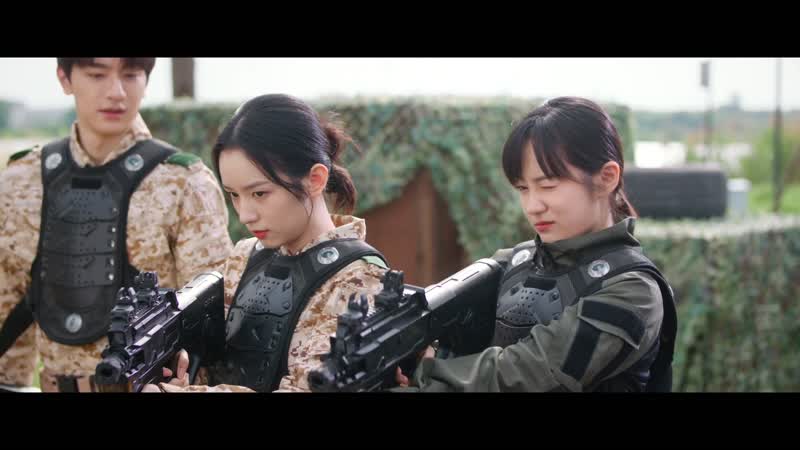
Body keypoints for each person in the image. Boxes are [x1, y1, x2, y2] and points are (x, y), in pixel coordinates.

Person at [396, 96, 677, 392]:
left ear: (606, 178)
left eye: (547, 186)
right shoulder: (515, 262)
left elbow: (526, 373)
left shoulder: (633, 291)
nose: (532, 206)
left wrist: (425, 374)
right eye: (523, 188)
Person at [0, 58, 233, 392]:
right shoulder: (21, 180)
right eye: (97, 75)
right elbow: (7, 313)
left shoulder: (184, 182)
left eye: (131, 75)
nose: (116, 92)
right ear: (65, 78)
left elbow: (212, 325)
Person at [144, 93, 390, 393]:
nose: (245, 215)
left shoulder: (361, 278)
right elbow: (223, 367)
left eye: (259, 193)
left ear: (315, 179)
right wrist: (186, 376)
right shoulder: (245, 255)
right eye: (234, 195)